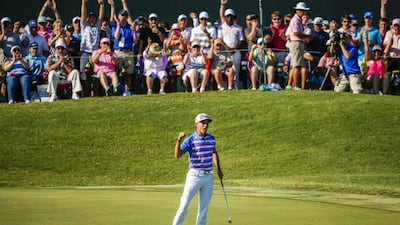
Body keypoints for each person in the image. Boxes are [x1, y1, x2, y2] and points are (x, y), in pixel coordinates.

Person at [172, 113, 224, 225]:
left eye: (207, 123)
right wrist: (179, 141)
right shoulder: (190, 140)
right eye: (203, 123)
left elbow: (213, 152)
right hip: (194, 176)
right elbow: (177, 155)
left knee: (203, 209)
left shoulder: (211, 138)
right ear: (197, 124)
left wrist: (218, 169)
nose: (205, 126)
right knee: (184, 205)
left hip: (208, 176)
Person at [80, 0, 105, 97]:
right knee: (84, 74)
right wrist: (84, 3)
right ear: (87, 18)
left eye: (93, 17)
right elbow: (83, 15)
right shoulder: (84, 26)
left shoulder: (98, 26)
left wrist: (102, 5)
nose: (92, 19)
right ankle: (85, 95)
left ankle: (97, 94)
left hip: (96, 53)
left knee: (97, 74)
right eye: (90, 17)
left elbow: (101, 17)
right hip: (85, 52)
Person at [218, 0, 245, 90]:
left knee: (236, 70)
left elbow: (241, 40)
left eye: (231, 16)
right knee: (224, 70)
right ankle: (225, 87)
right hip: (225, 52)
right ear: (225, 17)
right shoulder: (221, 27)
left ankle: (236, 88)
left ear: (233, 17)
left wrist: (234, 49)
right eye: (228, 16)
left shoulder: (238, 28)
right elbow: (220, 40)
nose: (229, 18)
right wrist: (228, 48)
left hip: (236, 52)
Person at [112, 7, 135, 95]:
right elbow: (117, 37)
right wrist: (118, 25)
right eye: (122, 15)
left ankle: (128, 91)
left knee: (128, 73)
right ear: (119, 16)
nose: (124, 17)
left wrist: (134, 30)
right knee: (117, 72)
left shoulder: (130, 27)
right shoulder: (115, 26)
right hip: (118, 51)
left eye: (125, 15)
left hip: (128, 51)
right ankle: (117, 90)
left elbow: (135, 40)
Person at [287, 2, 310, 90]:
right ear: (296, 10)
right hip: (296, 42)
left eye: (303, 11)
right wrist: (306, 36)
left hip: (298, 43)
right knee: (296, 65)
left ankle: (292, 85)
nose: (302, 12)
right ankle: (295, 86)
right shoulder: (295, 20)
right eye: (301, 10)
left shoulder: (298, 20)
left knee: (297, 65)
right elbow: (296, 33)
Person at [165, 23, 187, 92]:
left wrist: (181, 40)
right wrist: (171, 35)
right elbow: (166, 47)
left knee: (180, 73)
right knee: (172, 75)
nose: (176, 31)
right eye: (174, 30)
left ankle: (181, 90)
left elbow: (184, 49)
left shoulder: (182, 38)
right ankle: (173, 91)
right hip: (172, 59)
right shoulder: (168, 39)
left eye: (177, 30)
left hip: (180, 58)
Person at [383, 18, 400, 95]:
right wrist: (391, 40)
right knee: (389, 75)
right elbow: (386, 51)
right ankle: (388, 93)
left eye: (398, 26)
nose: (396, 28)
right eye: (395, 26)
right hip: (391, 59)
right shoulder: (389, 34)